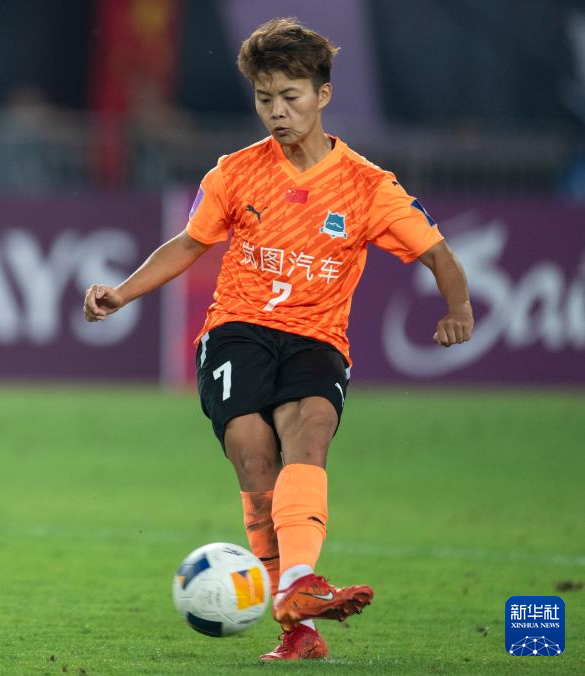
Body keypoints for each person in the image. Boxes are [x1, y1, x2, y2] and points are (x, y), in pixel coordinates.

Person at [83, 17, 473, 661]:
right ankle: (295, 607)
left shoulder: (368, 186)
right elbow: (189, 244)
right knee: (253, 455)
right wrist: (122, 293)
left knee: (309, 433)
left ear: (323, 94)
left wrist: (457, 307)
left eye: (290, 97)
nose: (276, 112)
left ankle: (296, 592)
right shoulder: (236, 173)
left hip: (317, 338)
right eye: (265, 99)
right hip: (238, 330)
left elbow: (438, 254)